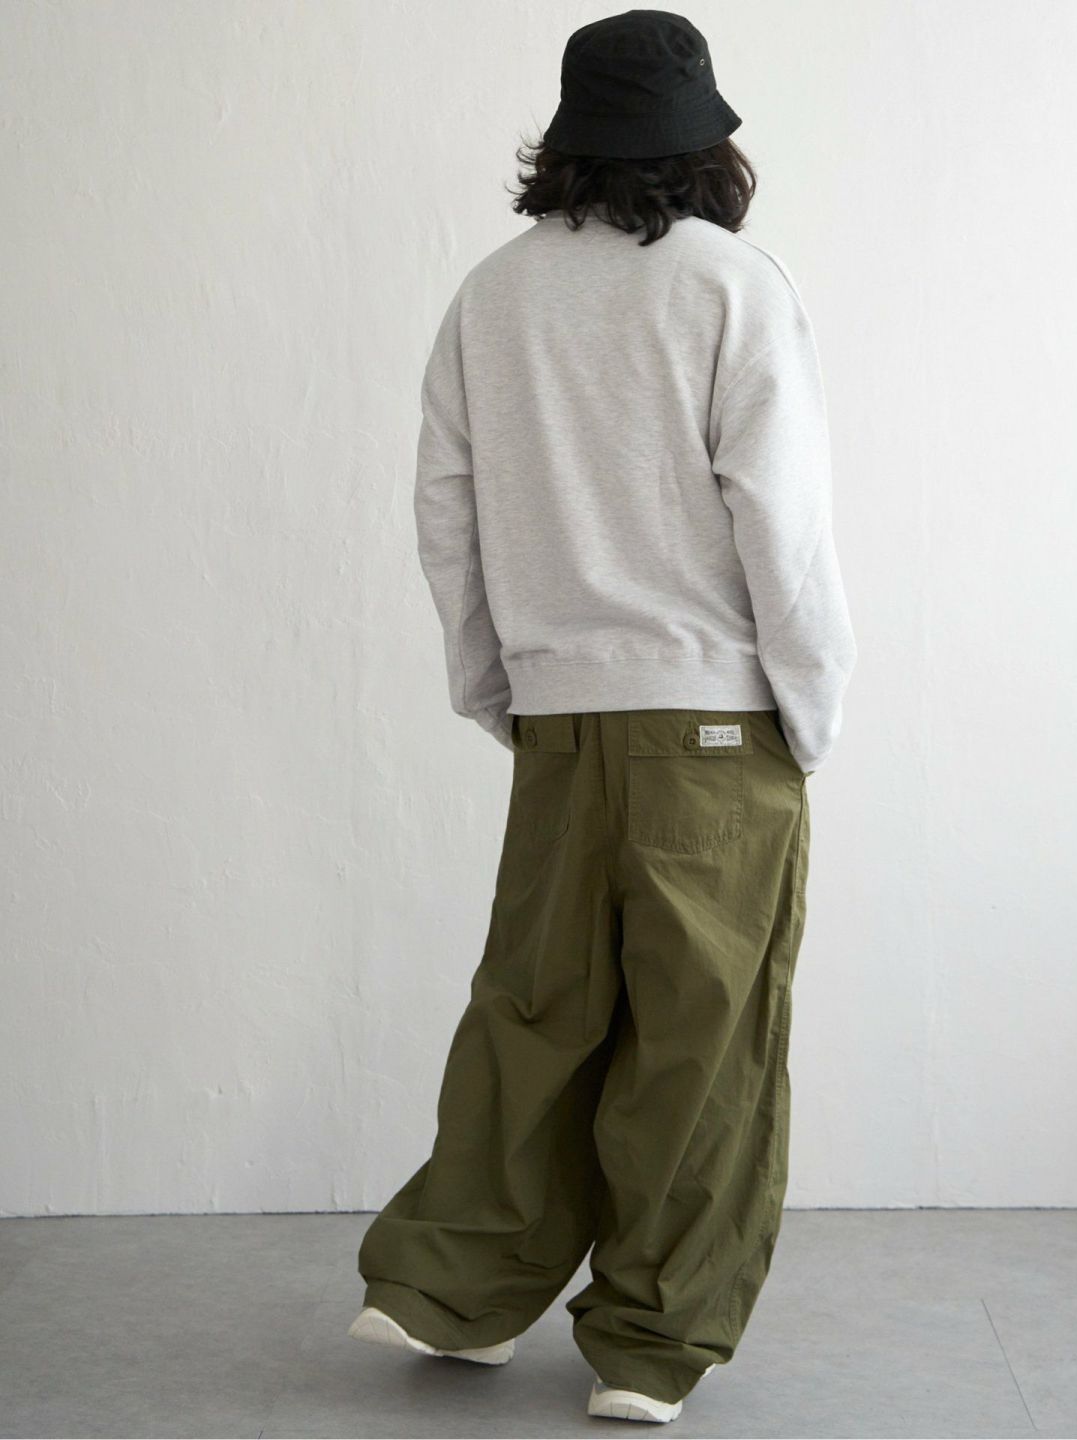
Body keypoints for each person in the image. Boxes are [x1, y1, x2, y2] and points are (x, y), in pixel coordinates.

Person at [349, 8, 856, 1425]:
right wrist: (809, 706)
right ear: (706, 146)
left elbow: (445, 511)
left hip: (561, 721)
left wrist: (494, 685)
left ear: (567, 139)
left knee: (537, 1009)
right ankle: (646, 1344)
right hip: (714, 729)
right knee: (701, 1038)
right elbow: (782, 522)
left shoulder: (492, 294)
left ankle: (449, 1287)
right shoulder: (731, 284)